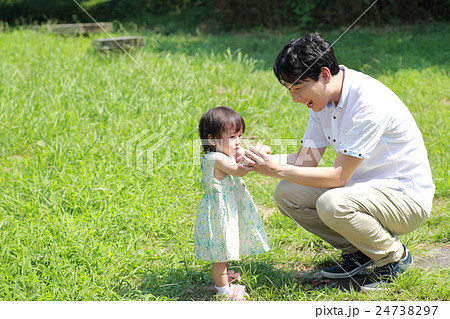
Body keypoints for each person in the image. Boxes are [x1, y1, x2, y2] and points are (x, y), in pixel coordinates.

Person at [243, 33, 435, 292]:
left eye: (298, 89)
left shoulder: (368, 102)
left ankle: (394, 257)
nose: (295, 99)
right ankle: (361, 250)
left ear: (324, 74)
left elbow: (338, 177)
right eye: (290, 90)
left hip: (404, 197)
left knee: (332, 203)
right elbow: (305, 160)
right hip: (360, 190)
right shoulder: (322, 102)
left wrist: (276, 169)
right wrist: (255, 161)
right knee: (288, 193)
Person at [194, 106, 271, 300]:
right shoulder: (216, 158)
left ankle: (224, 280)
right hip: (220, 212)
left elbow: (242, 155)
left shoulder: (225, 152)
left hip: (228, 209)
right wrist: (252, 161)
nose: (238, 142)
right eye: (232, 137)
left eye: (240, 136)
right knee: (220, 253)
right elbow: (239, 170)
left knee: (226, 246)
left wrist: (257, 152)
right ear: (212, 139)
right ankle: (224, 292)